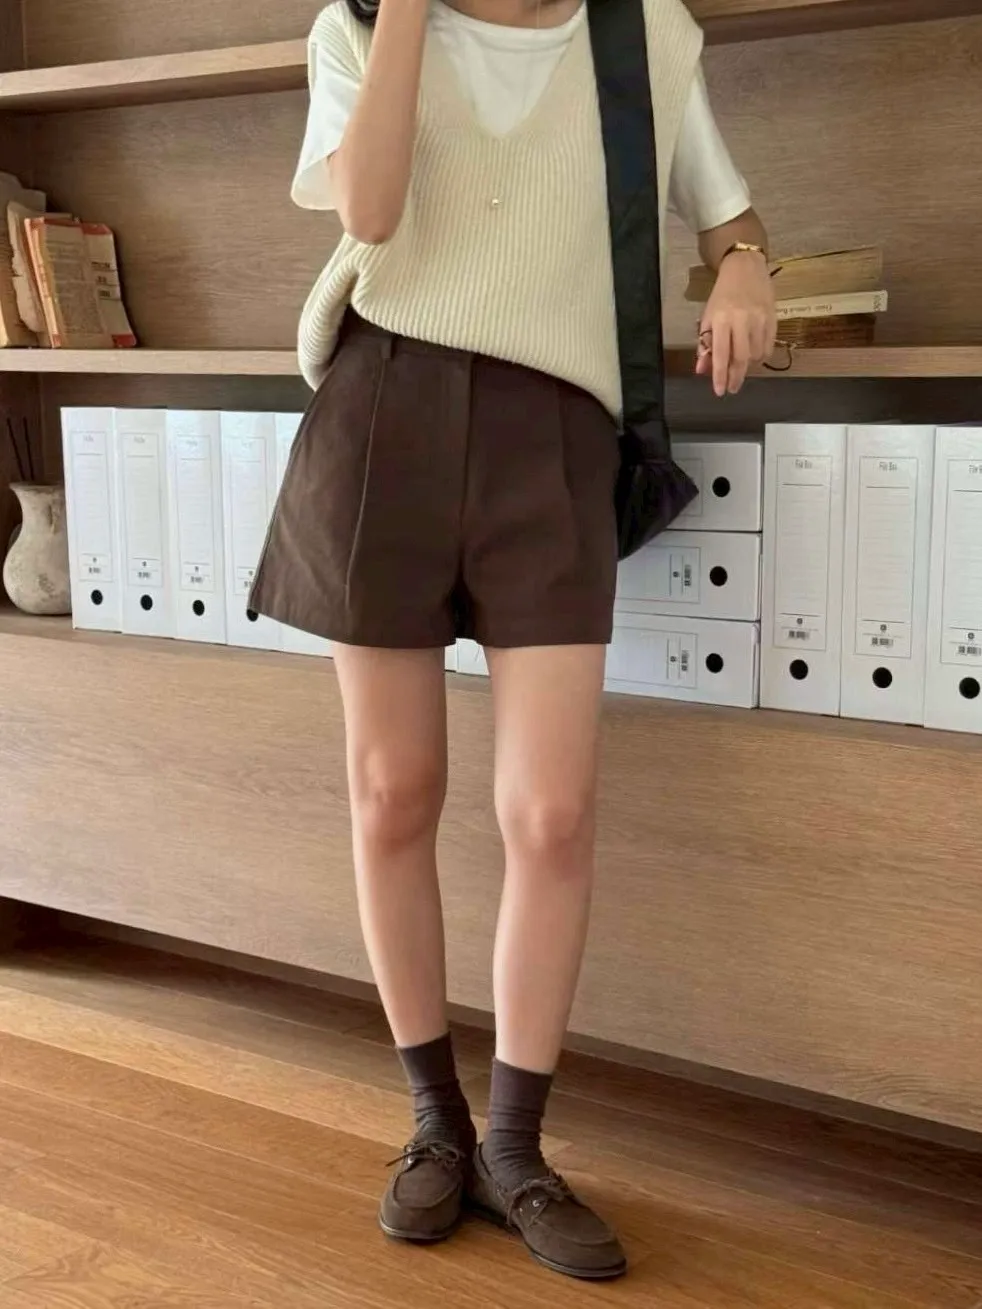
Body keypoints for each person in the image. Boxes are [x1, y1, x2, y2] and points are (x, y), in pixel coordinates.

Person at [250, 0, 776, 1282]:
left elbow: (727, 212)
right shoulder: (353, 28)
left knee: (552, 812)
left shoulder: (646, 33)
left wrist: (747, 265)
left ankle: (516, 1146)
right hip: (383, 415)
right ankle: (433, 1122)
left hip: (554, 435)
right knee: (393, 791)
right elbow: (370, 210)